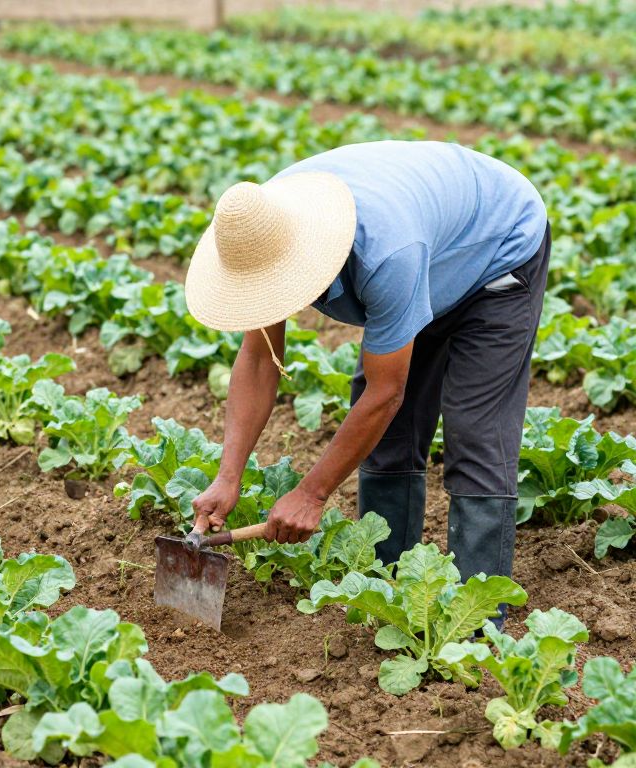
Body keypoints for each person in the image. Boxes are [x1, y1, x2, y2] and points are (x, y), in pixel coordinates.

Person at [184, 140, 549, 593]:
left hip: (497, 244)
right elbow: (261, 359)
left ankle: (477, 615)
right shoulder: (261, 225)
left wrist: (312, 494)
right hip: (427, 236)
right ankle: (385, 587)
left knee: (476, 430)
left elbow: (386, 394)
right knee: (388, 435)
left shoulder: (385, 254)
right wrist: (227, 477)